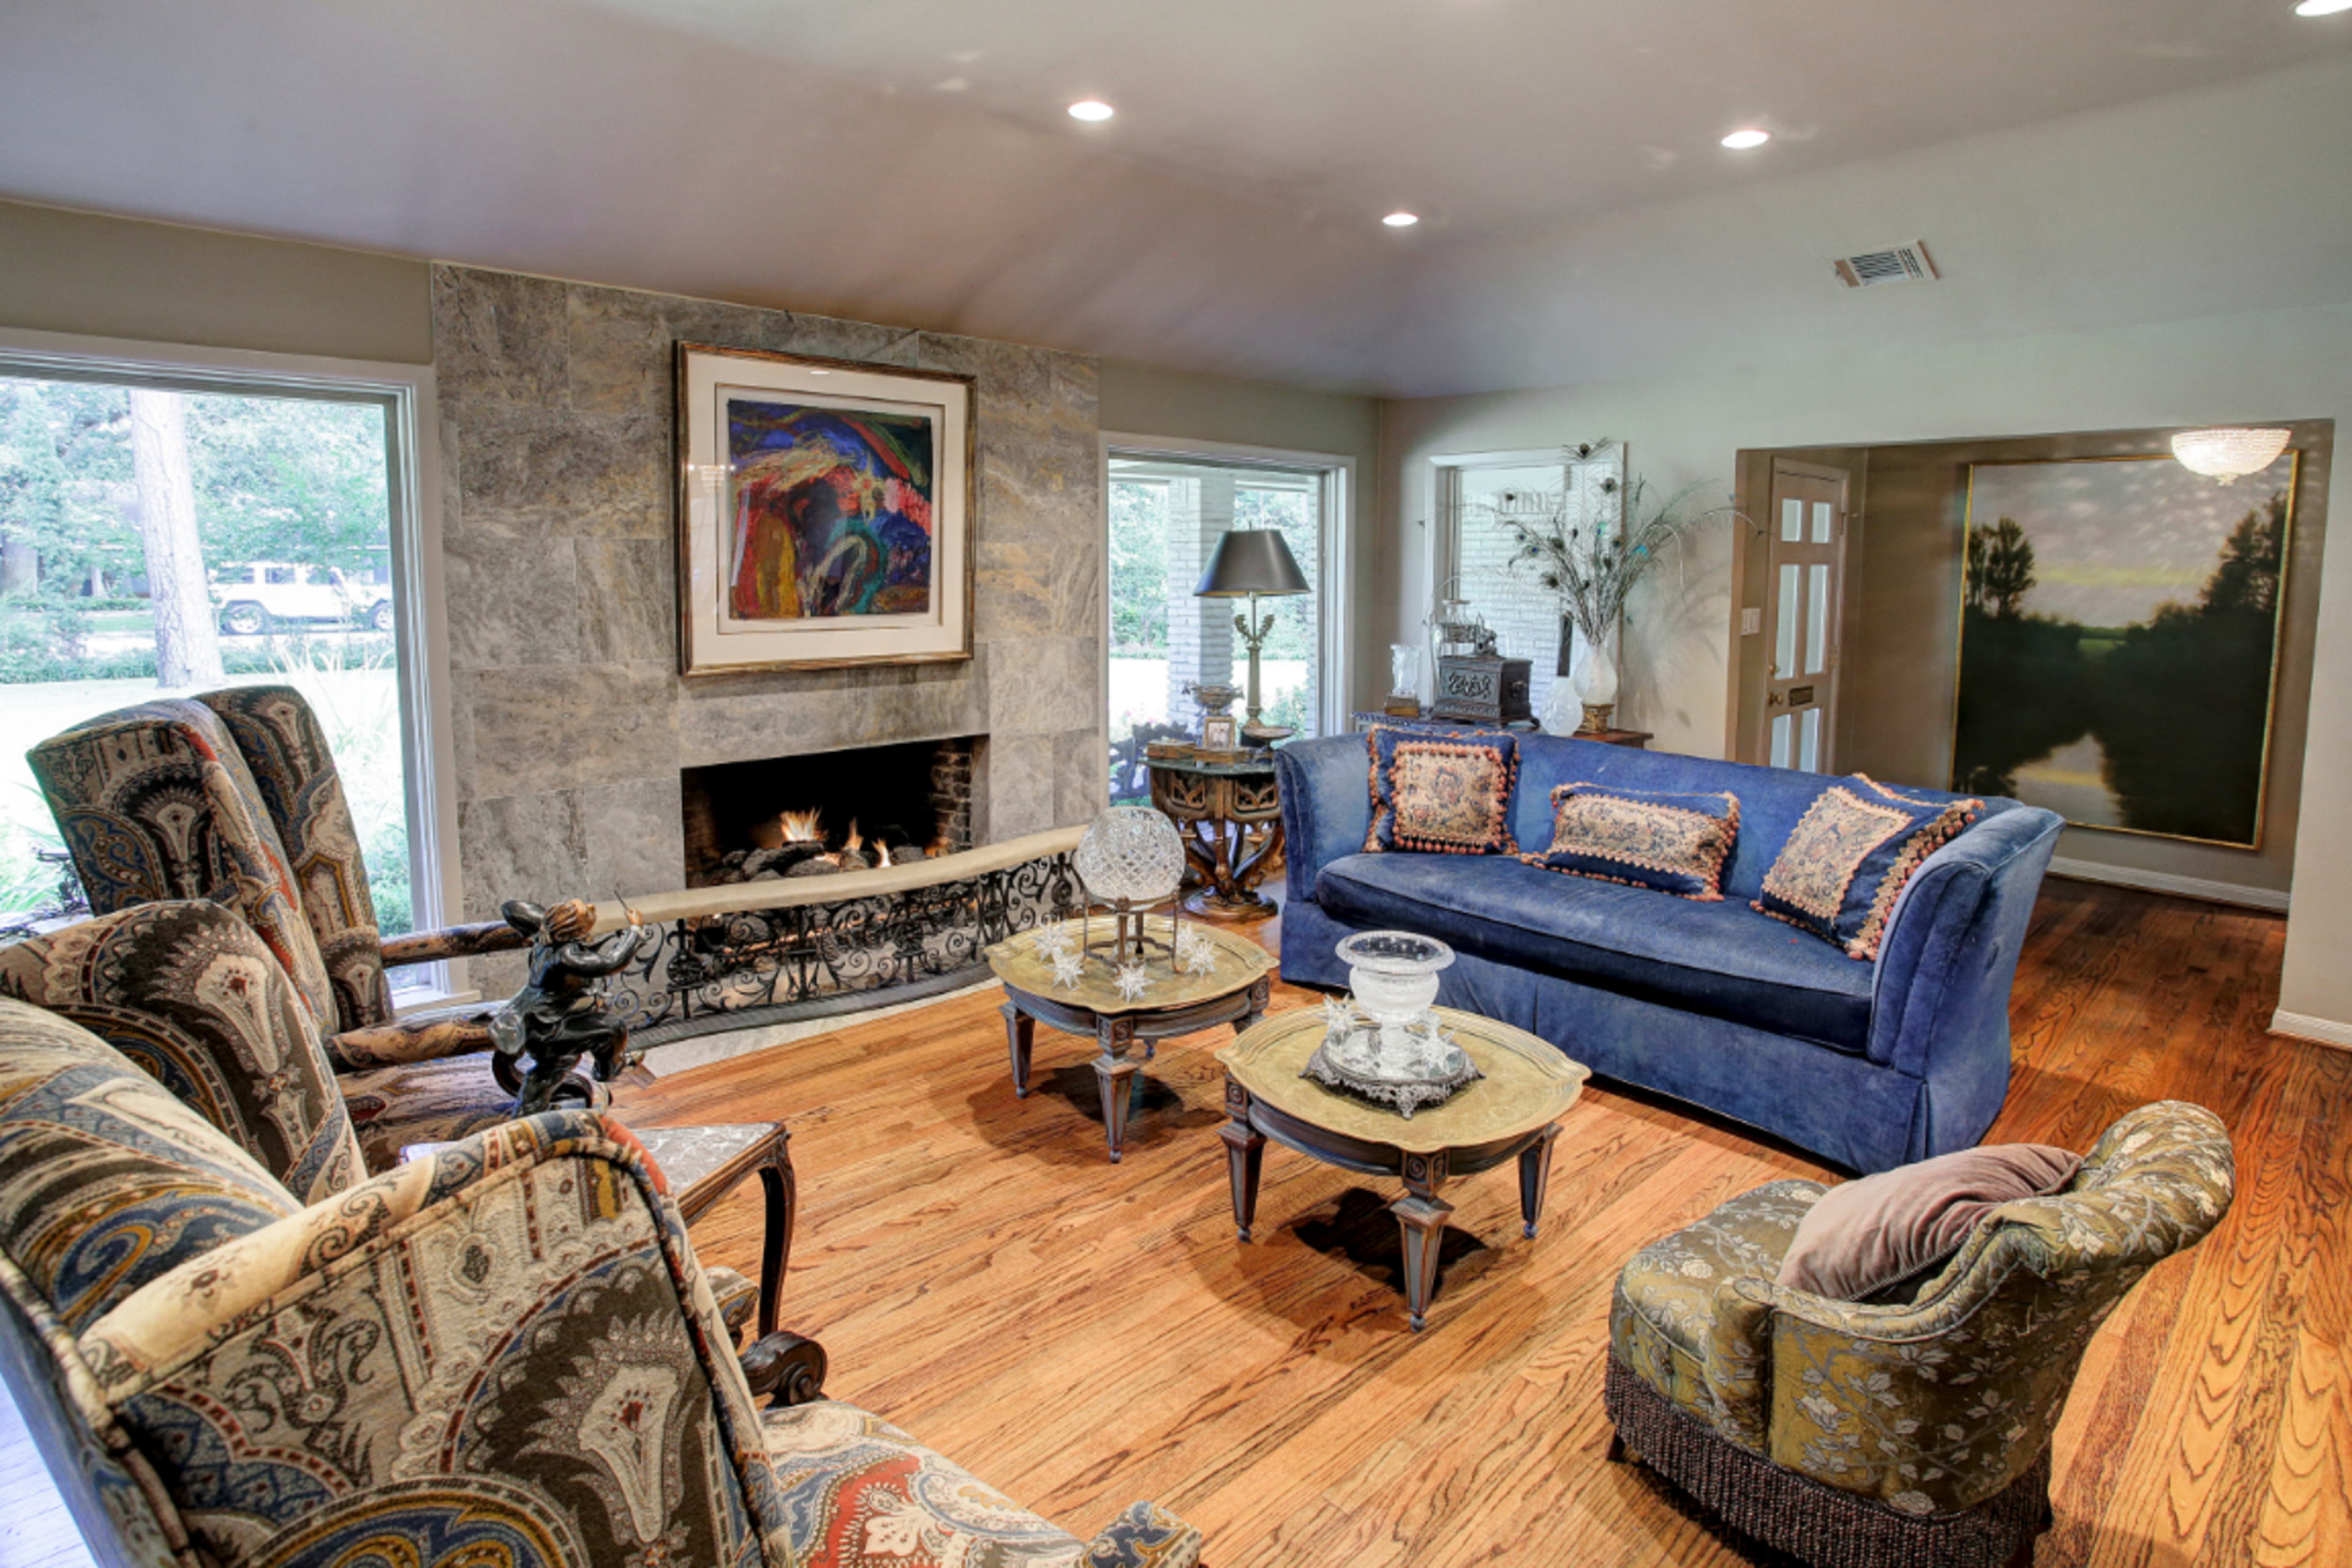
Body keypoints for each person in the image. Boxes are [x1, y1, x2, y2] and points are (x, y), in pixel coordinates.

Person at [489, 896, 652, 1115]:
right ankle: (609, 1070)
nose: (592, 908)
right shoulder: (565, 954)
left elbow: (512, 908)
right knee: (612, 1029)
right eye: (585, 911)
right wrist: (635, 931)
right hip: (547, 1029)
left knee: (552, 1070)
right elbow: (610, 962)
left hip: (538, 1021)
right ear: (572, 928)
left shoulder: (545, 937)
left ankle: (530, 1113)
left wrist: (551, 917)